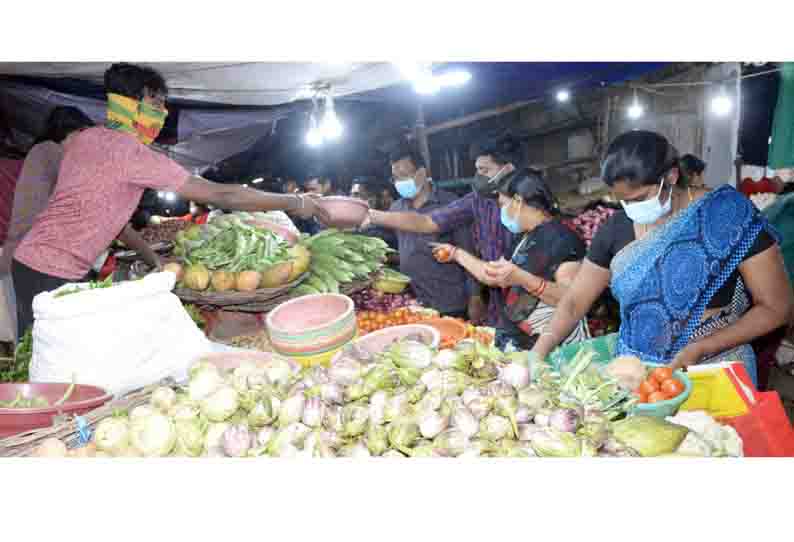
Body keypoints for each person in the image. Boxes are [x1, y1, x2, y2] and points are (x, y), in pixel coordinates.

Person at [10, 63, 328, 340]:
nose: (162, 113)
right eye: (155, 102)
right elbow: (221, 194)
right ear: (128, 104)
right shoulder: (132, 153)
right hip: (53, 270)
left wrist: (154, 260)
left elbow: (115, 222)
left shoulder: (86, 139)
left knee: (40, 353)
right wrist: (295, 202)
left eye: (164, 104)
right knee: (56, 362)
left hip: (30, 262)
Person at [531, 130, 793, 387]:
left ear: (671, 175)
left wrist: (704, 346)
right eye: (622, 201)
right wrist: (539, 351)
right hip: (637, 378)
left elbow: (776, 308)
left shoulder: (726, 214)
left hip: (713, 368)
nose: (632, 208)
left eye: (640, 198)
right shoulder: (616, 228)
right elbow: (575, 301)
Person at [363, 134, 519, 325]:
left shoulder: (527, 203)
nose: (478, 177)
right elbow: (427, 223)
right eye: (477, 170)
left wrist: (474, 295)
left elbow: (465, 248)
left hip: (510, 299)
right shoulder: (475, 201)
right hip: (425, 298)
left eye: (484, 170)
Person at [431, 169, 589, 349]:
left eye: (502, 204)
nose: (501, 211)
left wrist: (523, 278)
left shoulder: (563, 239)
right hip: (523, 343)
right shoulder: (524, 237)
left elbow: (570, 300)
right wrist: (456, 253)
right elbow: (494, 275)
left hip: (554, 346)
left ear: (518, 201)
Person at [382, 146, 474, 318]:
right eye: (395, 178)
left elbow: (469, 251)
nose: (399, 182)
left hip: (449, 301)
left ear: (422, 173)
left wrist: (476, 297)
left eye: (404, 175)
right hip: (413, 302)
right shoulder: (395, 208)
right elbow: (404, 248)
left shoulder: (451, 204)